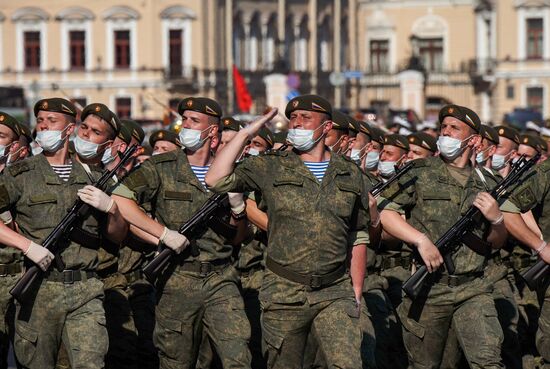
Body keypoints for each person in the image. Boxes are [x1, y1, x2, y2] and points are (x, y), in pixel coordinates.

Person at [205, 95, 370, 369]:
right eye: (293, 118)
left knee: (348, 363)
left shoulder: (348, 173)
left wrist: (356, 289)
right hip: (284, 291)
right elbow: (216, 178)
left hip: (334, 289)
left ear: (326, 127)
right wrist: (246, 133)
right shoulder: (271, 165)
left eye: (306, 118)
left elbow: (357, 233)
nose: (297, 124)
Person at [113, 97, 252, 369]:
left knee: (238, 355)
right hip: (177, 277)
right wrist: (162, 234)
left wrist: (238, 212)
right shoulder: (161, 167)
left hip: (221, 276)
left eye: (193, 121)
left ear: (212, 131)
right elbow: (120, 199)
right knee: (176, 360)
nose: (185, 125)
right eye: (184, 119)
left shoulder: (230, 174)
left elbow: (237, 238)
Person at [0, 98, 127, 369]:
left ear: (69, 130)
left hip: (86, 288)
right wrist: (26, 246)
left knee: (91, 363)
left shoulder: (94, 176)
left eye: (51, 121)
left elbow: (116, 236)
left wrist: (112, 209)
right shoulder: (19, 174)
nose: (43, 126)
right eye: (40, 121)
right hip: (38, 289)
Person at [379, 104, 507, 369]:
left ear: (473, 140)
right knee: (426, 365)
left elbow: (494, 243)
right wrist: (420, 240)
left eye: (454, 128)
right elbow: (387, 213)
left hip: (473, 288)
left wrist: (496, 219)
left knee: (488, 361)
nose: (446, 133)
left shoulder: (488, 182)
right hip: (430, 288)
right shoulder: (420, 171)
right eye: (443, 127)